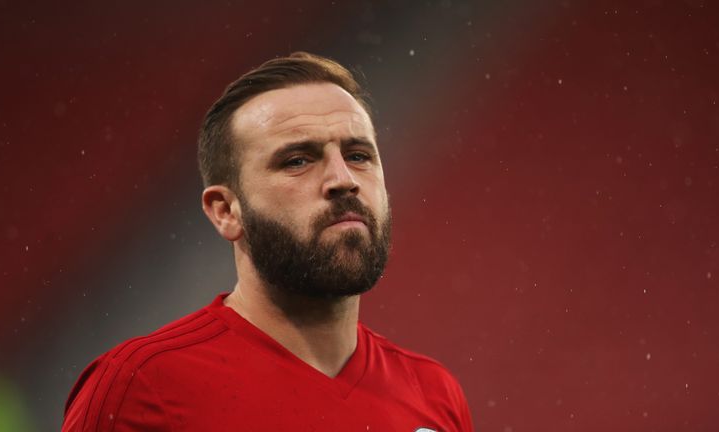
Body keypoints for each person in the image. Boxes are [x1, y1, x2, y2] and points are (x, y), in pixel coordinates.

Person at [62, 52, 474, 431]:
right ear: (226, 211)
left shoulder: (434, 393)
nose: (343, 180)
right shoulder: (142, 386)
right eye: (297, 160)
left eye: (359, 155)